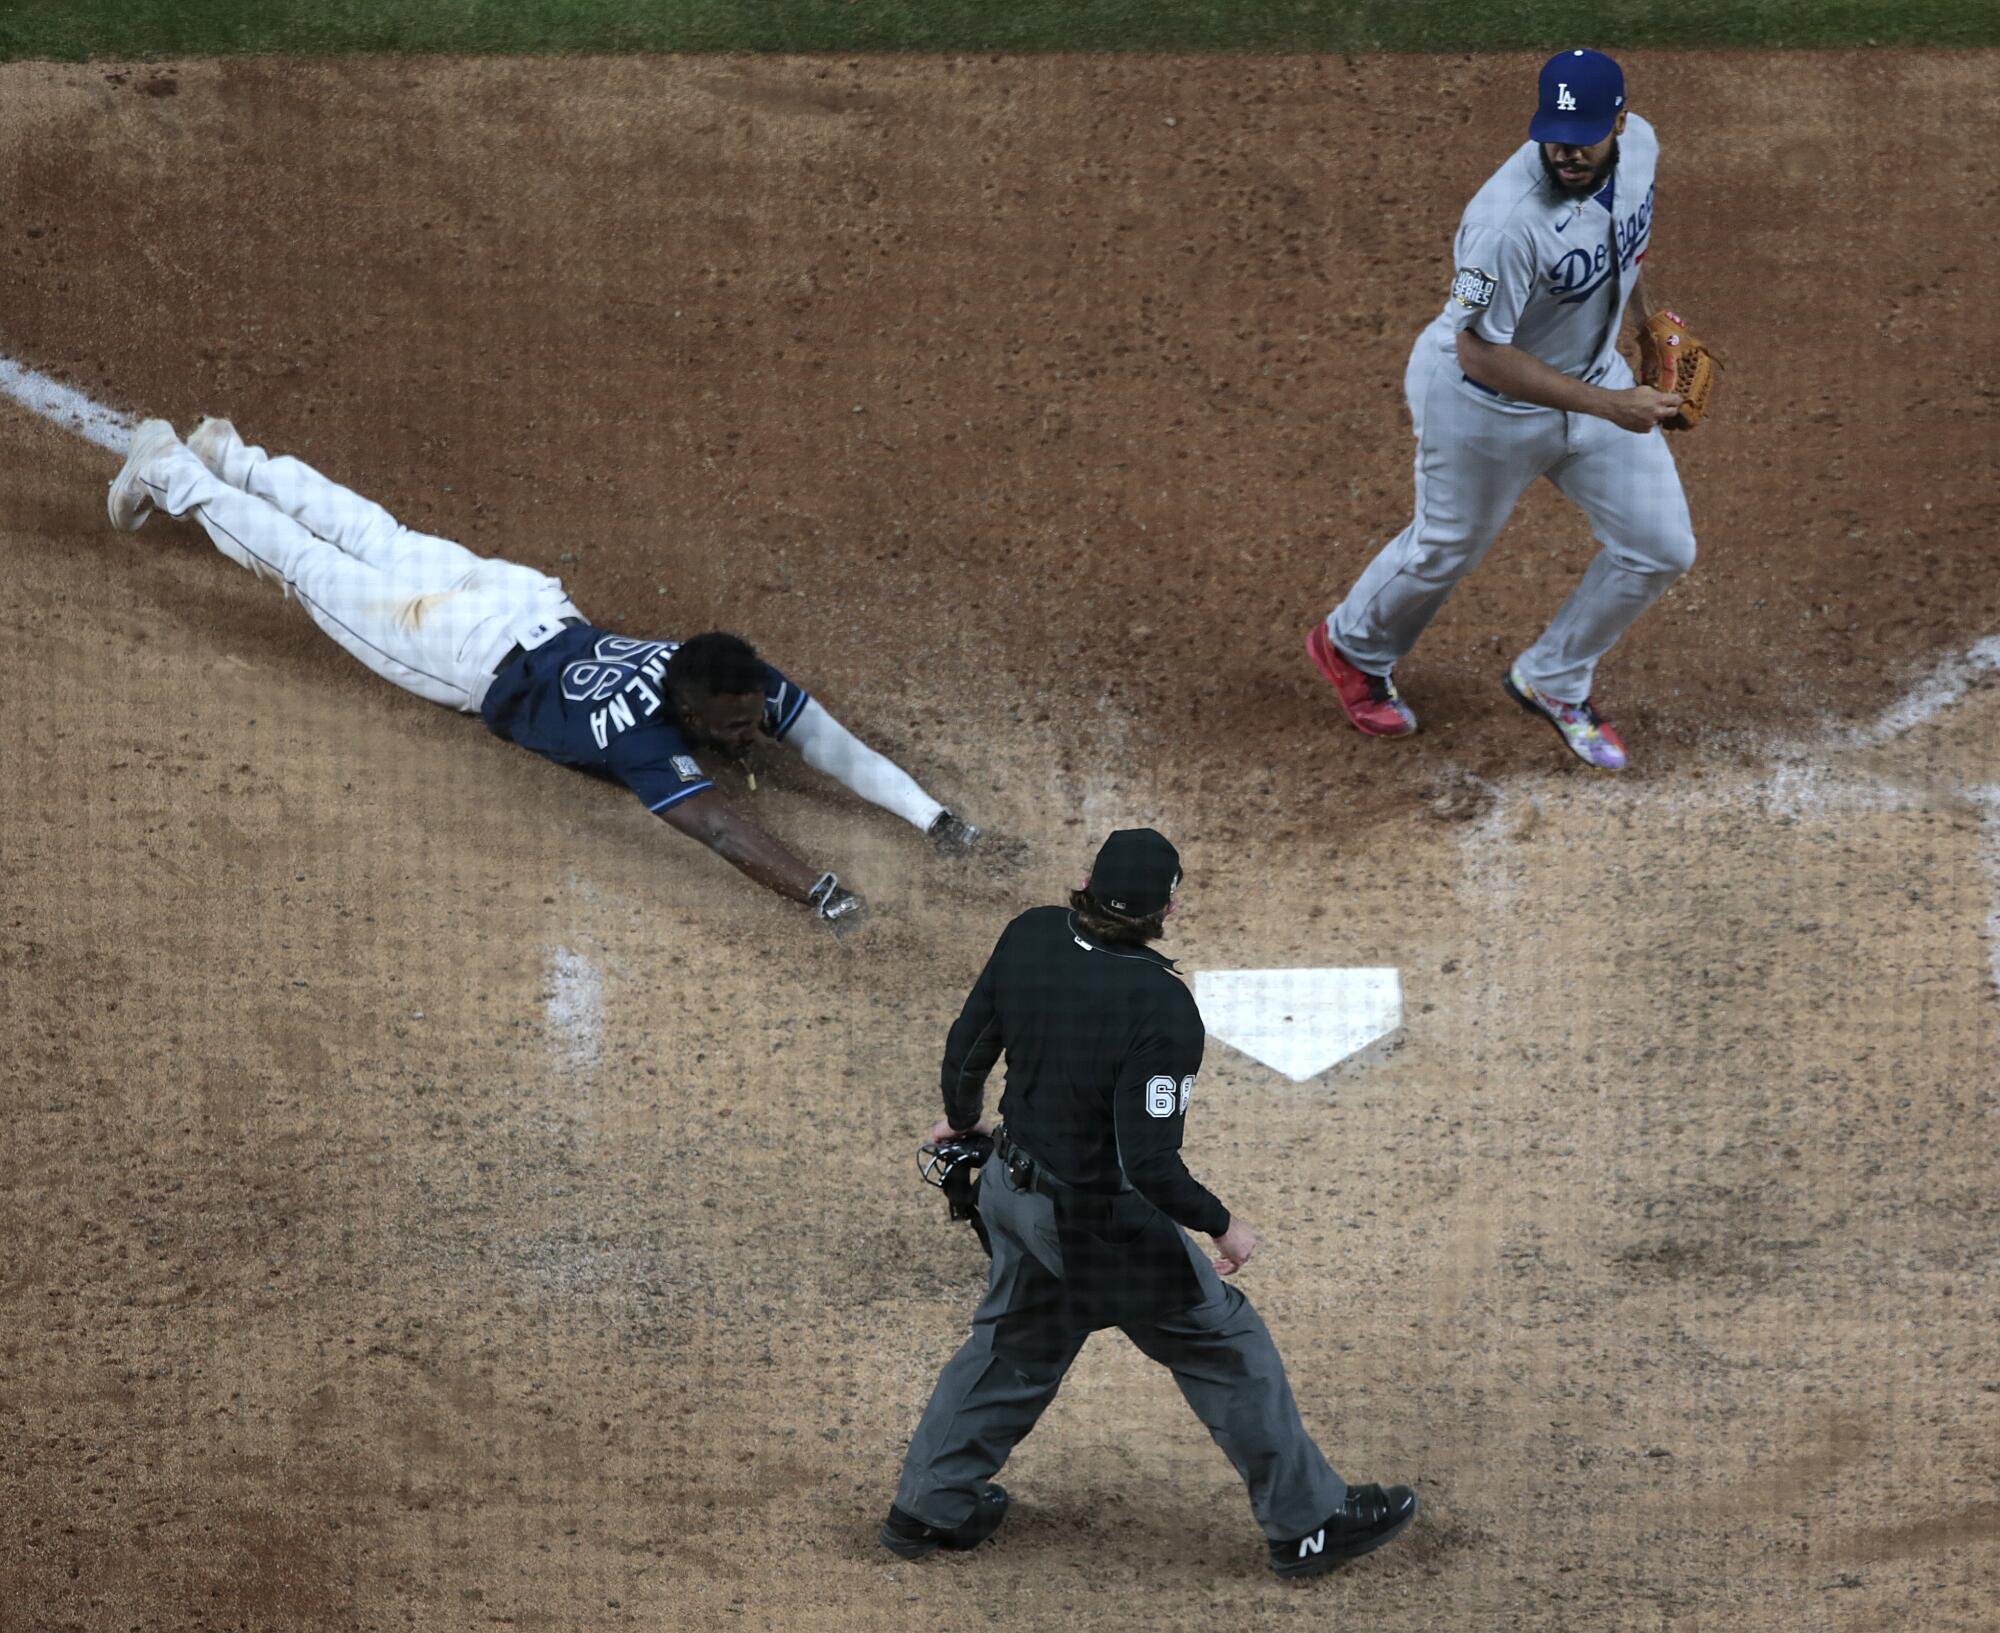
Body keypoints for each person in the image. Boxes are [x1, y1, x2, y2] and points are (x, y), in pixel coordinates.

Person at [105, 417, 979, 929]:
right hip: (456, 643)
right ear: (692, 712)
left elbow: (826, 738)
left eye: (754, 719)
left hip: (519, 602)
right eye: (740, 728)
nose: (757, 735)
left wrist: (937, 820)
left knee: (381, 537)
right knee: (308, 565)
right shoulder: (647, 740)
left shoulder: (721, 672)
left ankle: (237, 457)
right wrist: (822, 895)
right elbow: (720, 831)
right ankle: (177, 469)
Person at [882, 829, 1417, 1578]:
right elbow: (1149, 1163)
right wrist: (1222, 1223)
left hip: (1008, 1185)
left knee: (1014, 1345)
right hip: (1094, 1225)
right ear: (1167, 907)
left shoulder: (1031, 932)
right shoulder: (1163, 1008)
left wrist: (964, 1113)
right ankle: (1309, 1522)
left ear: (1084, 882)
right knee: (1227, 1346)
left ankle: (930, 1505)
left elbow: (967, 1045)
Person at [1307, 47, 1697, 770]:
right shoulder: (1505, 223)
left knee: (1662, 548)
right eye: (1552, 133)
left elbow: (1627, 251)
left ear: (1619, 121)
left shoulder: (1640, 149)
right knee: (1445, 547)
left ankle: (1552, 677)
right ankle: (1351, 648)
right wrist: (1611, 405)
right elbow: (1480, 352)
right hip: (1481, 407)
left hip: (1594, 382)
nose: (1564, 153)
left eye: (1582, 139)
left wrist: (1642, 326)